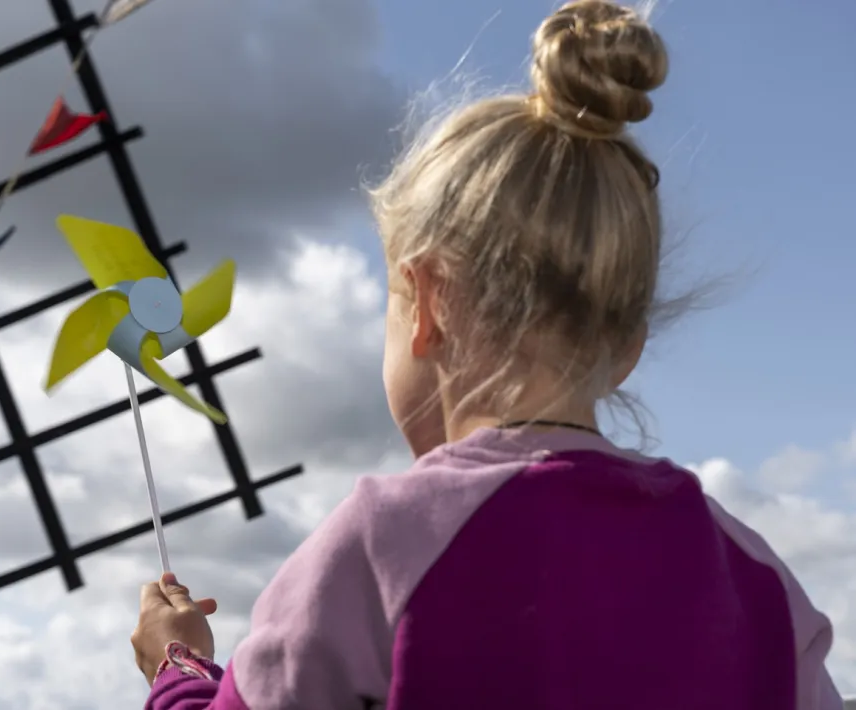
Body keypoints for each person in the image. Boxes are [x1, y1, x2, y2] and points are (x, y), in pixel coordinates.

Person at [131, 1, 845, 708]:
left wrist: (178, 668)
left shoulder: (385, 547)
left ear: (429, 302)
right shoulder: (756, 579)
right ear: (628, 345)